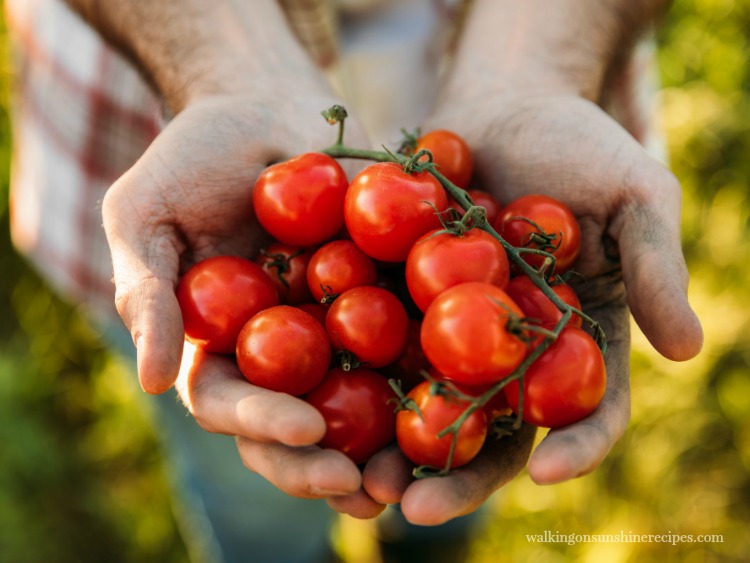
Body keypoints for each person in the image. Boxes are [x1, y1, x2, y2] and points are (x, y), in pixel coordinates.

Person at [6, 0, 703, 561]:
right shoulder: (482, 289)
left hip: (526, 74)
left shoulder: (481, 316)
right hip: (144, 121)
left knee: (450, 487)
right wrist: (228, 71)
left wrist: (536, 69)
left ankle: (434, 541)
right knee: (252, 498)